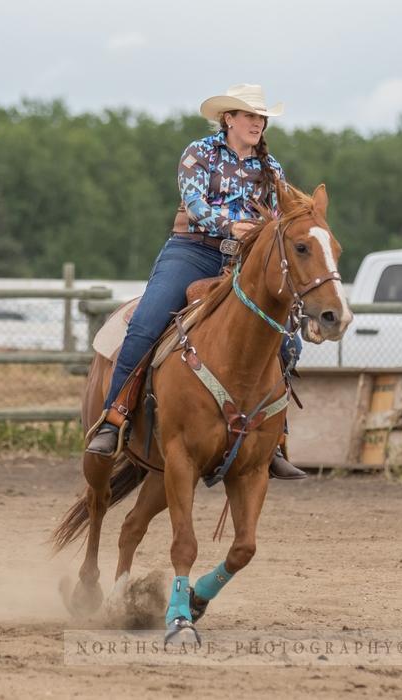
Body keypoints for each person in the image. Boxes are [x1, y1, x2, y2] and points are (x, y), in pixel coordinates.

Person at [87, 83, 305, 480]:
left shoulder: (272, 169)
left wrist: (262, 237)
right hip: (192, 250)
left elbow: (279, 221)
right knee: (146, 323)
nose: (257, 123)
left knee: (288, 340)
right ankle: (113, 417)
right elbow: (195, 204)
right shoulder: (199, 153)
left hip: (244, 262)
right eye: (250, 116)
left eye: (261, 117)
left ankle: (274, 436)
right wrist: (231, 226)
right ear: (229, 119)